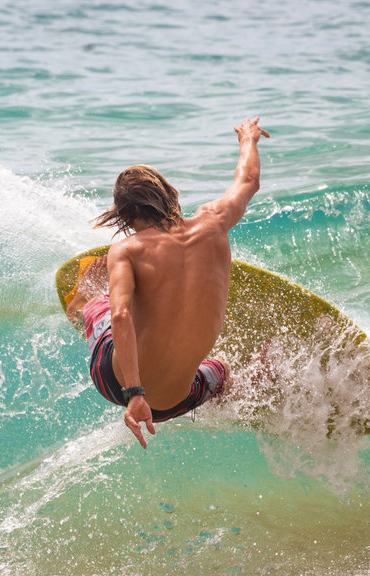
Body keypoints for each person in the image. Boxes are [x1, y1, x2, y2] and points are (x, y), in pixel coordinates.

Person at [66, 117, 269, 448]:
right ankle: (244, 386)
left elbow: (121, 317)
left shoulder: (127, 250)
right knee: (221, 370)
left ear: (125, 217)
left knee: (103, 303)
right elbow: (249, 180)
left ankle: (83, 305)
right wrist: (249, 138)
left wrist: (134, 394)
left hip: (115, 383)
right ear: (168, 194)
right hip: (175, 402)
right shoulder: (216, 221)